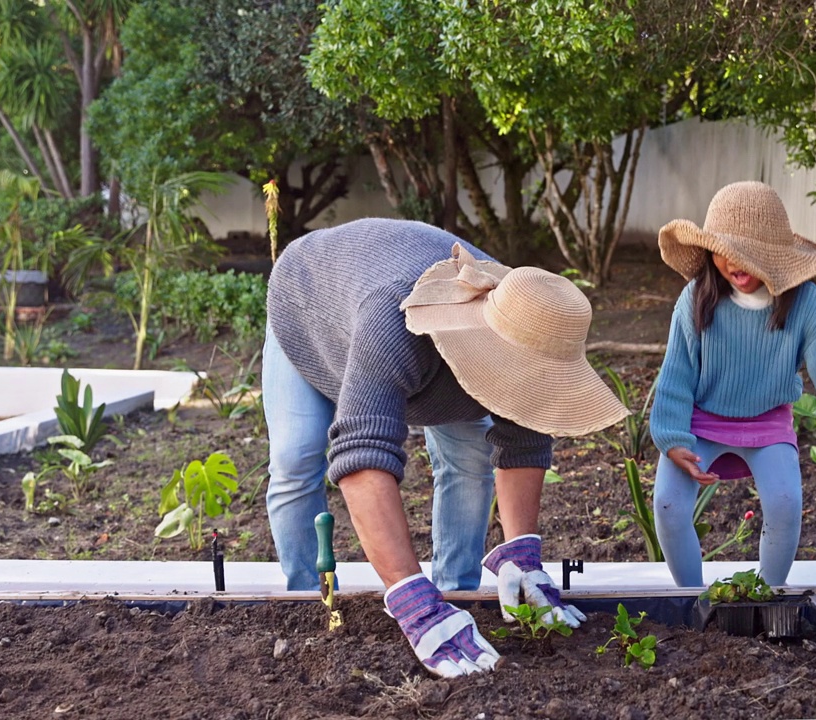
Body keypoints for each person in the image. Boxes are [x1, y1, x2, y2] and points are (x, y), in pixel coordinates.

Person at [263, 218, 629, 677]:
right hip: (310, 303)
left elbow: (525, 437)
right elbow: (360, 459)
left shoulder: (525, 318)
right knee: (296, 459)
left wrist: (522, 553)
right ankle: (307, 603)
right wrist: (410, 600)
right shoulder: (392, 323)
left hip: (415, 348)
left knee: (469, 460)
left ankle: (455, 592)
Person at [647, 181, 816, 589]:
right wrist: (673, 438)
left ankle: (765, 597)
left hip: (767, 423)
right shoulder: (696, 298)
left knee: (785, 505)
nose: (735, 262)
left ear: (776, 256)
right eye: (725, 250)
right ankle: (691, 598)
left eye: (750, 252)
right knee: (667, 504)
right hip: (698, 422)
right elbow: (675, 374)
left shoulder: (808, 306)